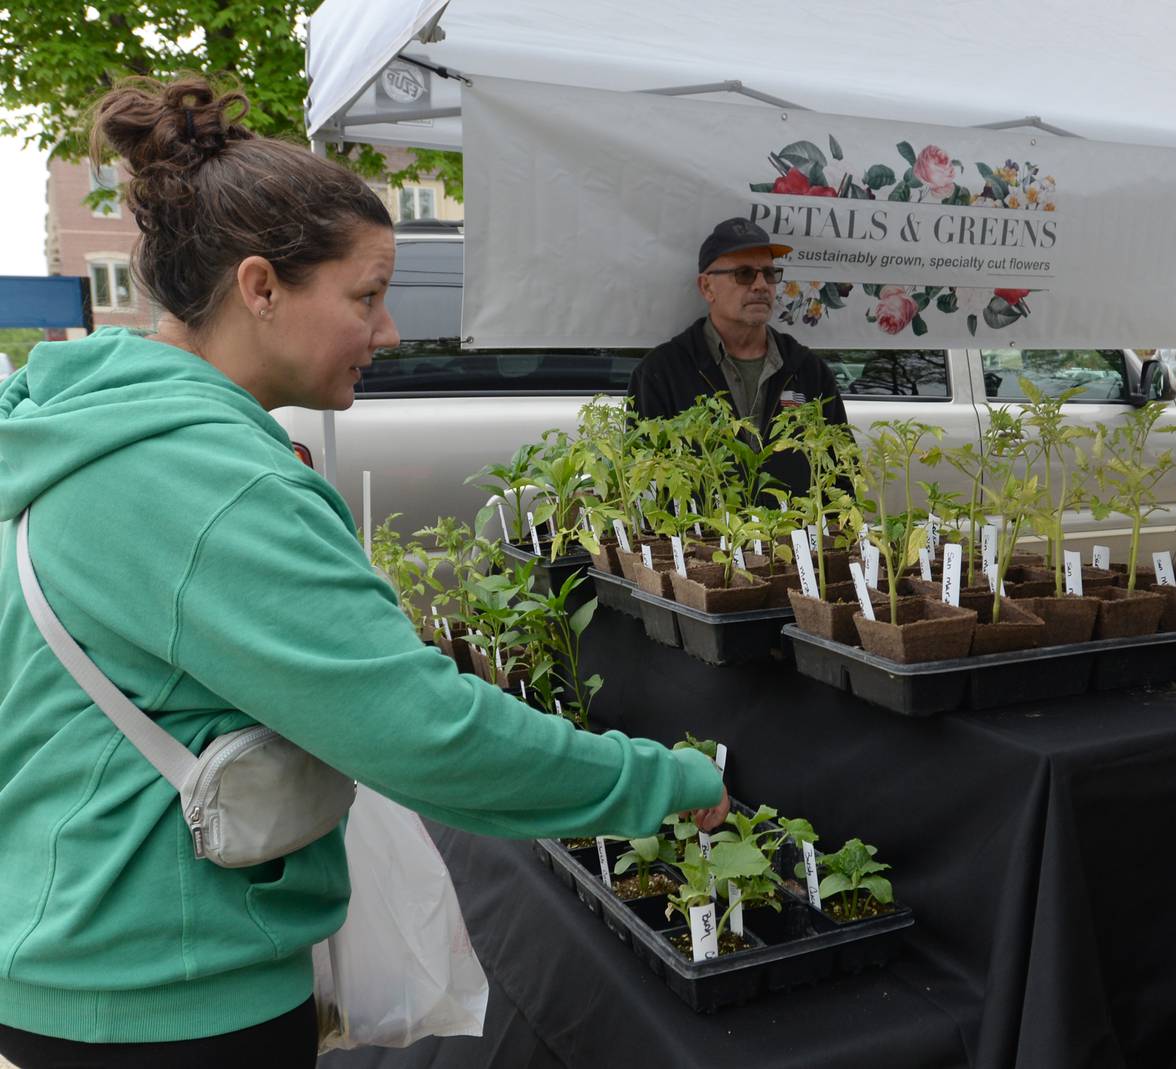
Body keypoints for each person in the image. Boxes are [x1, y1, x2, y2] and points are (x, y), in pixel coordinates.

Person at [0, 78, 727, 1067]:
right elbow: (427, 734)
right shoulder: (210, 484)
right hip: (167, 988)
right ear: (260, 288)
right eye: (367, 296)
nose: (388, 333)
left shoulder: (83, 431)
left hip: (70, 938)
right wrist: (661, 779)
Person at [627, 217, 848, 496]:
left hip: (795, 538)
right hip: (700, 539)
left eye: (769, 274)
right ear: (707, 287)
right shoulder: (661, 374)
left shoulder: (809, 371)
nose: (760, 285)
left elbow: (842, 477)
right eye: (744, 274)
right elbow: (642, 486)